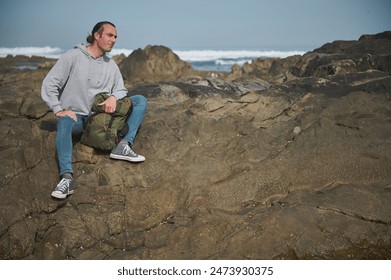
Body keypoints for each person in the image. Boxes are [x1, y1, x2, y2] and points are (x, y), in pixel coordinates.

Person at [41, 21, 147, 199]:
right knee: (64, 122)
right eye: (109, 35)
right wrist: (58, 109)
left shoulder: (110, 64)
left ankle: (123, 146)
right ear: (97, 36)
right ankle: (67, 178)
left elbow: (121, 89)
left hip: (100, 118)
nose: (113, 40)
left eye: (115, 37)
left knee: (139, 101)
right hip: (77, 118)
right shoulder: (73, 56)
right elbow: (50, 83)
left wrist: (113, 97)